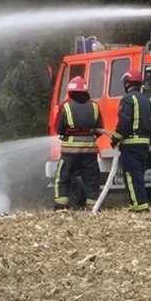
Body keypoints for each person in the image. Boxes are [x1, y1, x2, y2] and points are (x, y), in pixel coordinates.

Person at [54, 76, 114, 210]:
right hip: (89, 151)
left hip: (69, 152)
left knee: (63, 177)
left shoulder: (66, 106)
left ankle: (61, 207)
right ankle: (92, 207)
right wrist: (87, 137)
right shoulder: (94, 106)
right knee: (91, 179)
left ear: (70, 92)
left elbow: (58, 129)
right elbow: (99, 128)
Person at [110, 70, 151, 213]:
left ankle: (138, 206)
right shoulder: (146, 100)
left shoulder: (128, 99)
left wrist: (115, 138)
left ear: (127, 83)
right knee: (138, 175)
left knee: (131, 175)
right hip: (144, 144)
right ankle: (140, 204)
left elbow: (124, 122)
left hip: (130, 144)